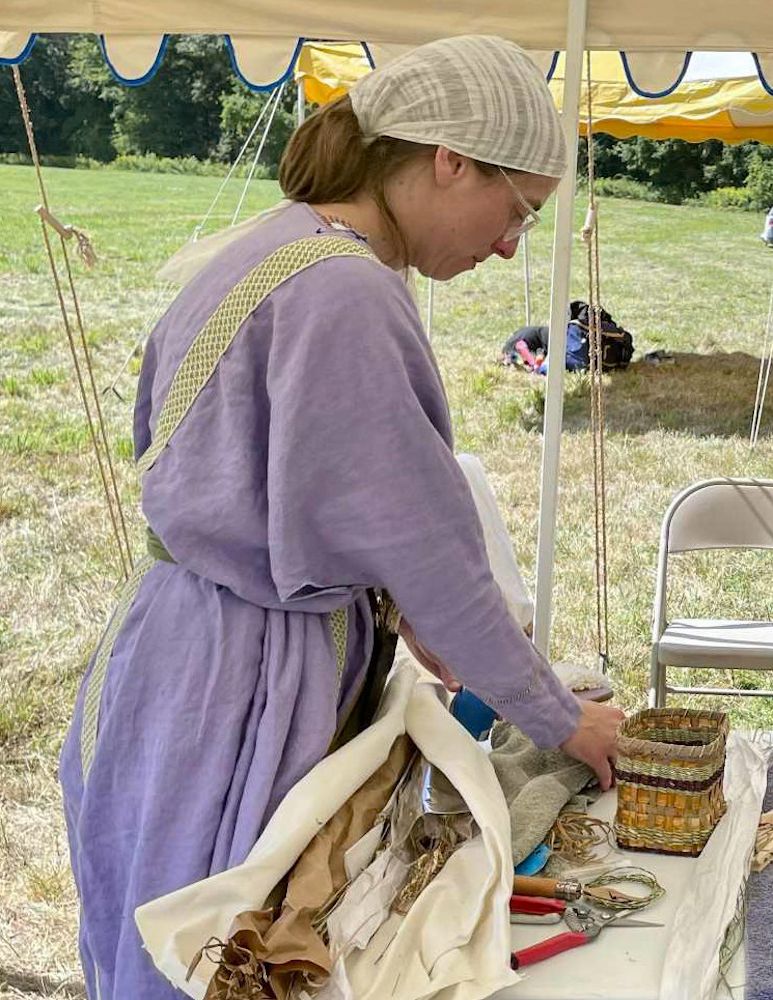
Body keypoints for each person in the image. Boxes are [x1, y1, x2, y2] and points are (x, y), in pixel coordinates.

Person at [59, 35, 625, 1000]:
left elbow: (330, 491)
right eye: (516, 211)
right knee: (228, 942)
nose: (507, 245)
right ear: (450, 162)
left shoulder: (274, 244)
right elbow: (427, 548)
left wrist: (407, 614)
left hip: (170, 646)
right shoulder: (347, 289)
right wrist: (566, 722)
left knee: (158, 915)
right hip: (244, 677)